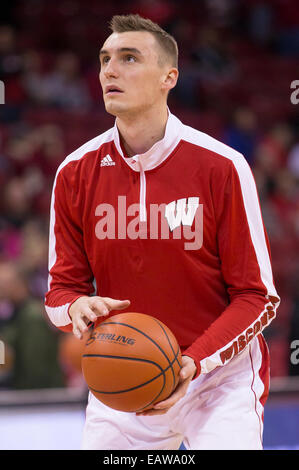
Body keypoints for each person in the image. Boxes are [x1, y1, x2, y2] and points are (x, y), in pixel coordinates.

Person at [45, 14, 280, 450]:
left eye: (129, 58)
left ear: (168, 77)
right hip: (124, 377)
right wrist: (76, 306)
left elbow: (258, 297)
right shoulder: (74, 172)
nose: (110, 71)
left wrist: (193, 361)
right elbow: (59, 292)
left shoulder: (221, 165)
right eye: (104, 60)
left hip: (215, 381)